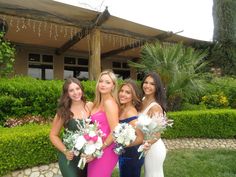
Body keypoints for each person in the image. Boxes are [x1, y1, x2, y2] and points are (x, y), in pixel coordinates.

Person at [49, 77, 90, 177]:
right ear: (67, 93)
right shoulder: (63, 112)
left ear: (82, 89)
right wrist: (65, 151)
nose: (76, 92)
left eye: (77, 88)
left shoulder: (90, 105)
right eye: (71, 90)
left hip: (86, 156)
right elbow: (53, 135)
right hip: (69, 156)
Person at [86, 70, 119, 177]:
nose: (103, 84)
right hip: (95, 147)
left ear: (113, 86)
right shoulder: (96, 103)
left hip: (106, 149)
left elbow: (115, 132)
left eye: (107, 82)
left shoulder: (109, 103)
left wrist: (97, 151)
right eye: (101, 81)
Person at [140, 72, 167, 177]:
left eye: (152, 84)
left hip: (153, 148)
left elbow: (157, 134)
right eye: (146, 82)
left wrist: (145, 144)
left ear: (157, 87)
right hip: (145, 146)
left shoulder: (155, 107)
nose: (147, 86)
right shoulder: (143, 99)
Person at [118, 79, 144, 177]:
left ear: (133, 96)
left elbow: (140, 137)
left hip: (131, 156)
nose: (123, 94)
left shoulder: (131, 112)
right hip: (125, 154)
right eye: (122, 91)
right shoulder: (123, 108)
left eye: (127, 92)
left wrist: (123, 145)